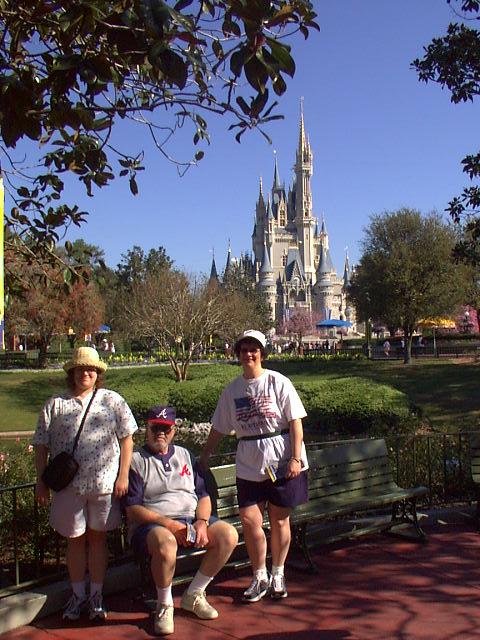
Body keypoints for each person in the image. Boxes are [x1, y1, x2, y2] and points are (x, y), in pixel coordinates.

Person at [200, 329, 308, 604]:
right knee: (250, 520)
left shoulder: (278, 382)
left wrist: (295, 458)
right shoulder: (232, 390)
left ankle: (278, 572)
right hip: (249, 461)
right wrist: (203, 456)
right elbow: (219, 427)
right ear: (238, 354)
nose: (249, 354)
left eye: (254, 349)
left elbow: (295, 422)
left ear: (261, 353)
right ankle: (259, 574)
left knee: (279, 519)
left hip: (281, 458)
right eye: (244, 349)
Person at [33, 346, 137, 622]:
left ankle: (96, 596)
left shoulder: (111, 400)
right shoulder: (55, 405)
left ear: (98, 373)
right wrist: (41, 481)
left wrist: (123, 475)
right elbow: (40, 446)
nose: (86, 373)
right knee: (75, 541)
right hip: (68, 487)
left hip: (103, 484)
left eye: (91, 369)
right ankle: (78, 594)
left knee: (98, 539)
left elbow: (127, 439)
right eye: (81, 369)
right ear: (72, 372)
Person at [124, 405, 238, 636]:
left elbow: (203, 496)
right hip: (152, 526)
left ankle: (194, 594)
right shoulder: (135, 461)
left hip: (190, 520)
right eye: (155, 427)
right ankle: (164, 605)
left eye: (166, 428)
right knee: (166, 542)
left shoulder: (186, 455)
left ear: (174, 430)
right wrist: (171, 525)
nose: (160, 433)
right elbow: (132, 509)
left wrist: (202, 522)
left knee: (229, 535)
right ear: (146, 428)